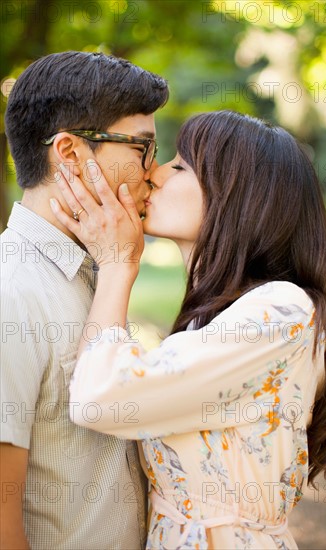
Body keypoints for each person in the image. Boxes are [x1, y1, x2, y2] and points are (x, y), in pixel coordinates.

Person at [50, 110, 326, 549]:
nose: (152, 173)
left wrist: (117, 263)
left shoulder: (280, 313)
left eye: (178, 166)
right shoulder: (212, 319)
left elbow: (101, 398)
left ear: (236, 197)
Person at [1, 50, 168, 549]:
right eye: (141, 149)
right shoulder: (13, 291)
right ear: (70, 153)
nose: (153, 173)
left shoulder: (93, 268)